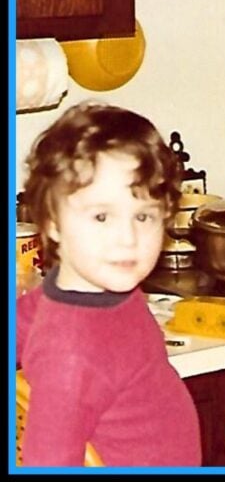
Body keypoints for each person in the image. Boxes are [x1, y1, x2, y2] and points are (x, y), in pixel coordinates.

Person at [16, 102, 202, 466]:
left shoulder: (94, 289)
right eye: (102, 216)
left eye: (144, 216)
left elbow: (26, 316)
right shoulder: (69, 356)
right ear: (52, 223)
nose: (127, 238)